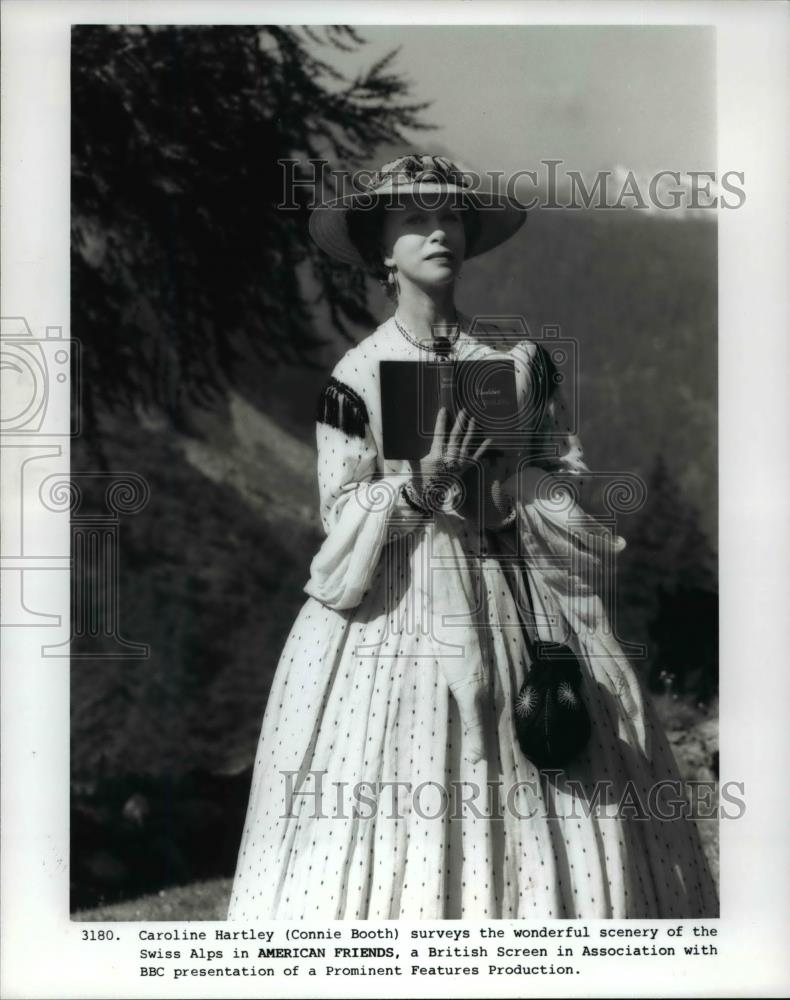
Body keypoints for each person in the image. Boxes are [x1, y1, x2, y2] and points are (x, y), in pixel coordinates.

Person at [227, 153, 718, 920]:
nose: (438, 232)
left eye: (450, 215)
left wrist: (518, 474)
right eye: (414, 219)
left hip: (516, 585)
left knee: (552, 734)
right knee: (429, 739)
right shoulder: (356, 379)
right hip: (404, 603)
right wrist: (422, 481)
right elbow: (341, 513)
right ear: (381, 251)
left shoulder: (520, 362)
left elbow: (561, 466)